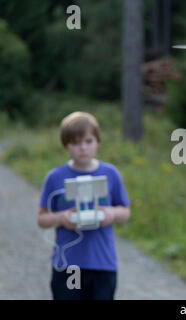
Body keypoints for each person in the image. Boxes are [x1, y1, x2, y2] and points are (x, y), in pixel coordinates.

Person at [37, 111, 130, 300]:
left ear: (98, 142)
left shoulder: (110, 174)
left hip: (102, 263)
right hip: (69, 264)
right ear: (66, 145)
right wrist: (61, 218)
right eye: (76, 143)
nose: (83, 148)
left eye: (88, 141)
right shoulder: (55, 178)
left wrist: (111, 213)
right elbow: (42, 218)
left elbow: (125, 212)